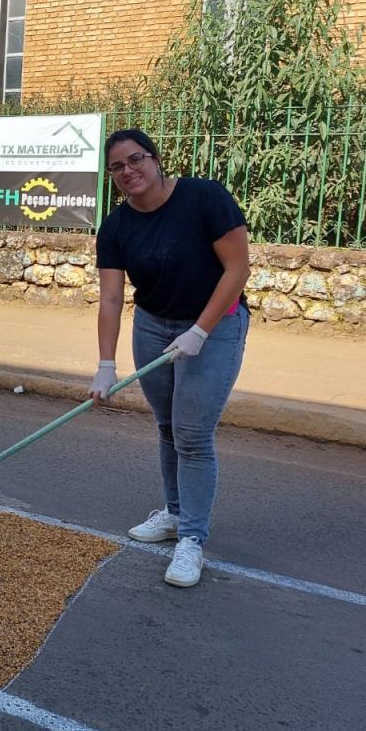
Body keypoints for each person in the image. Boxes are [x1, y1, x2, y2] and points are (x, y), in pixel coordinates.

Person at [90, 128, 250, 589]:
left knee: (193, 435)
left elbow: (237, 269)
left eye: (136, 159)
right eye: (117, 167)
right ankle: (176, 512)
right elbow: (111, 299)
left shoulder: (203, 198)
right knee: (166, 427)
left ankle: (192, 539)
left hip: (215, 326)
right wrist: (105, 365)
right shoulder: (117, 226)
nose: (128, 171)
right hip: (154, 325)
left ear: (157, 160)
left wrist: (201, 330)